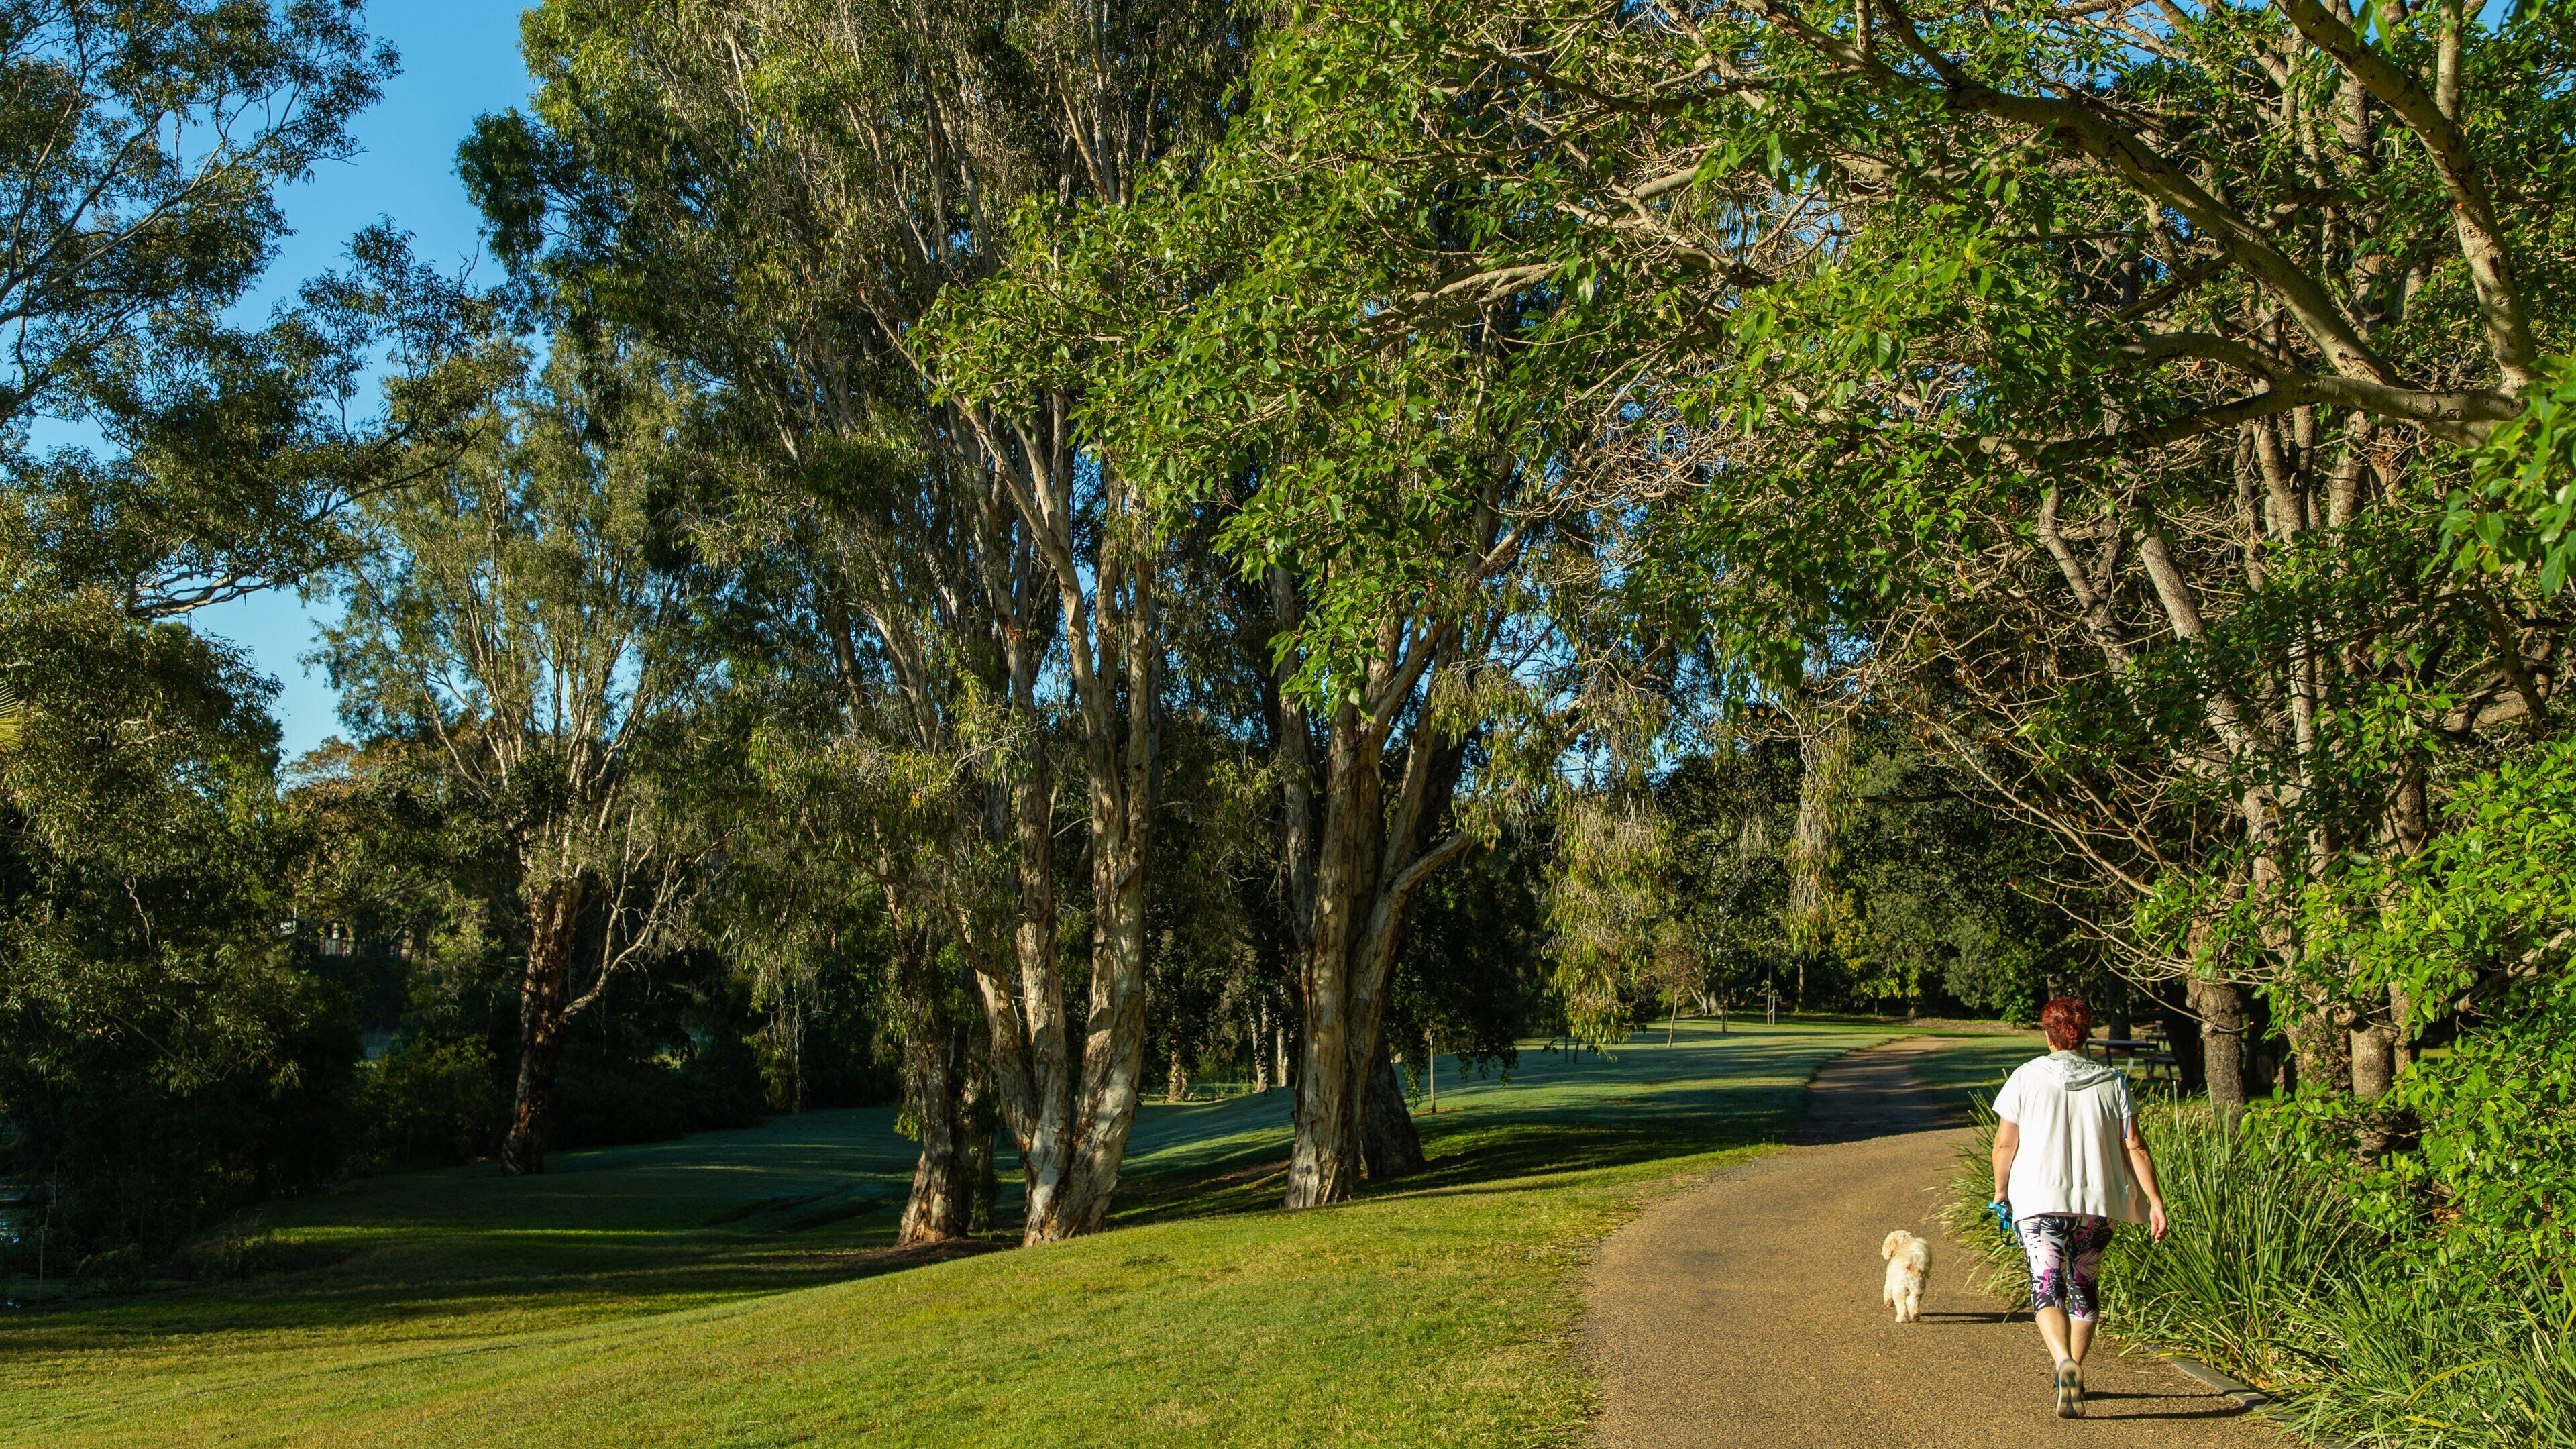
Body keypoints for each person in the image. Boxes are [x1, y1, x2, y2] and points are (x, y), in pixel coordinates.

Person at [1988, 996, 2170, 1419]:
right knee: (2084, 1287)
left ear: (2048, 1034)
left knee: (2046, 1284)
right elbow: (2135, 1147)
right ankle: (2076, 1370)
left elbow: (2004, 1144)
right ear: (2085, 1034)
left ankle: (2061, 1362)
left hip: (2039, 1200)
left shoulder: (2025, 1077)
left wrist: (2001, 1190)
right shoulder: (2111, 1081)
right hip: (2096, 1202)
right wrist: (2154, 1201)